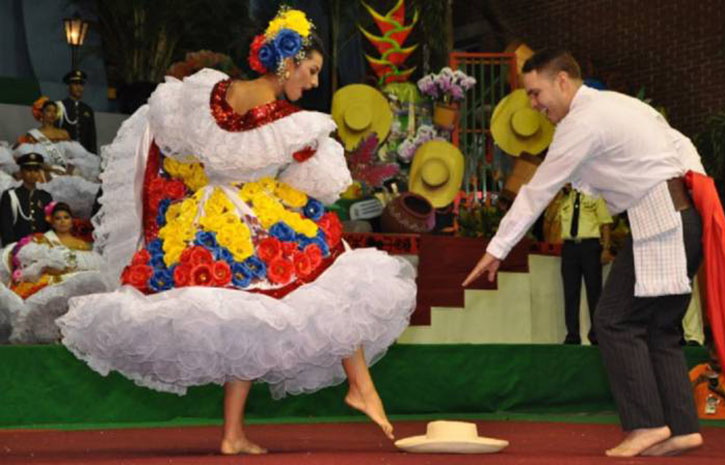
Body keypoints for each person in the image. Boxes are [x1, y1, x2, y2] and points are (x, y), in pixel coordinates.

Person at [56, 7, 416, 456]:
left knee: (243, 319)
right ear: (288, 62)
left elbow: (163, 136)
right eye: (311, 70)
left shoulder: (211, 91)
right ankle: (361, 386)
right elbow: (320, 186)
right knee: (335, 270)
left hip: (207, 218)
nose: (313, 82)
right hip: (253, 216)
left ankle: (233, 434)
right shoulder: (294, 122)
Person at [463, 49, 707, 457]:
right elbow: (681, 144)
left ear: (562, 80)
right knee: (661, 328)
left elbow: (539, 190)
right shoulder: (620, 105)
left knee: (613, 321)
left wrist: (496, 249)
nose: (534, 105)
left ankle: (646, 424)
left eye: (536, 93)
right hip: (684, 218)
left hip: (661, 221)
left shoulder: (583, 122)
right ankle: (682, 428)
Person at [0, 201, 103, 343]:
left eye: (66, 217)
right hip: (50, 283)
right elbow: (31, 264)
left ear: (72, 220)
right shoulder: (41, 240)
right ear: (52, 222)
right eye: (58, 218)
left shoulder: (84, 244)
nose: (62, 222)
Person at [12, 98, 100, 219]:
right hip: (43, 172)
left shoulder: (63, 133)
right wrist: (48, 168)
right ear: (42, 113)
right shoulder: (33, 134)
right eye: (48, 111)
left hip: (64, 170)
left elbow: (77, 155)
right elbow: (25, 157)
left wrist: (69, 167)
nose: (52, 114)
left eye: (54, 111)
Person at [557, 185, 613, 345]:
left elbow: (605, 224)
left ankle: (596, 334)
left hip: (590, 246)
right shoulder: (565, 198)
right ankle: (572, 335)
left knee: (594, 291)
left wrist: (606, 248)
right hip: (569, 247)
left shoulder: (594, 195)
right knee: (570, 292)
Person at [0, 152, 52, 246]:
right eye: (28, 170)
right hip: (17, 248)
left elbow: (49, 227)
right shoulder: (10, 195)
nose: (32, 174)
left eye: (36, 170)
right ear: (21, 172)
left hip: (42, 248)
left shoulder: (45, 197)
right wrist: (11, 250)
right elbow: (6, 228)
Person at [688, 344, 725, 420]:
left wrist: (721, 392)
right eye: (715, 352)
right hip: (701, 421)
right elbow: (681, 395)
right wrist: (697, 382)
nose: (717, 357)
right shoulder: (700, 370)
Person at [56, 70, 97, 154]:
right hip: (65, 153)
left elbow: (92, 137)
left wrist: (93, 156)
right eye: (75, 84)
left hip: (84, 155)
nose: (79, 87)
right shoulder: (60, 106)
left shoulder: (87, 110)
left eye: (81, 84)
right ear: (69, 86)